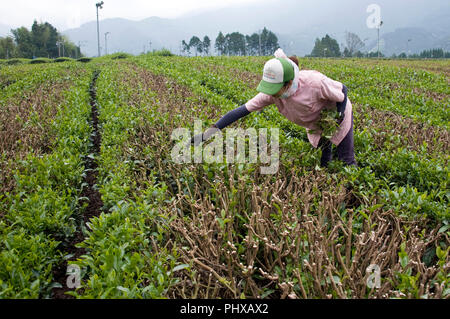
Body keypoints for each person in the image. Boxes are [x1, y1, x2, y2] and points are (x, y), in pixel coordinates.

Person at [192, 48, 357, 168]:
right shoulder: (271, 94)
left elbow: (342, 90)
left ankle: (353, 200)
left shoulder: (314, 83)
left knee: (346, 159)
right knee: (324, 155)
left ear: (288, 83)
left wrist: (339, 116)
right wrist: (208, 133)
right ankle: (327, 178)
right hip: (316, 123)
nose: (271, 94)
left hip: (336, 116)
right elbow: (241, 111)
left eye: (275, 88)